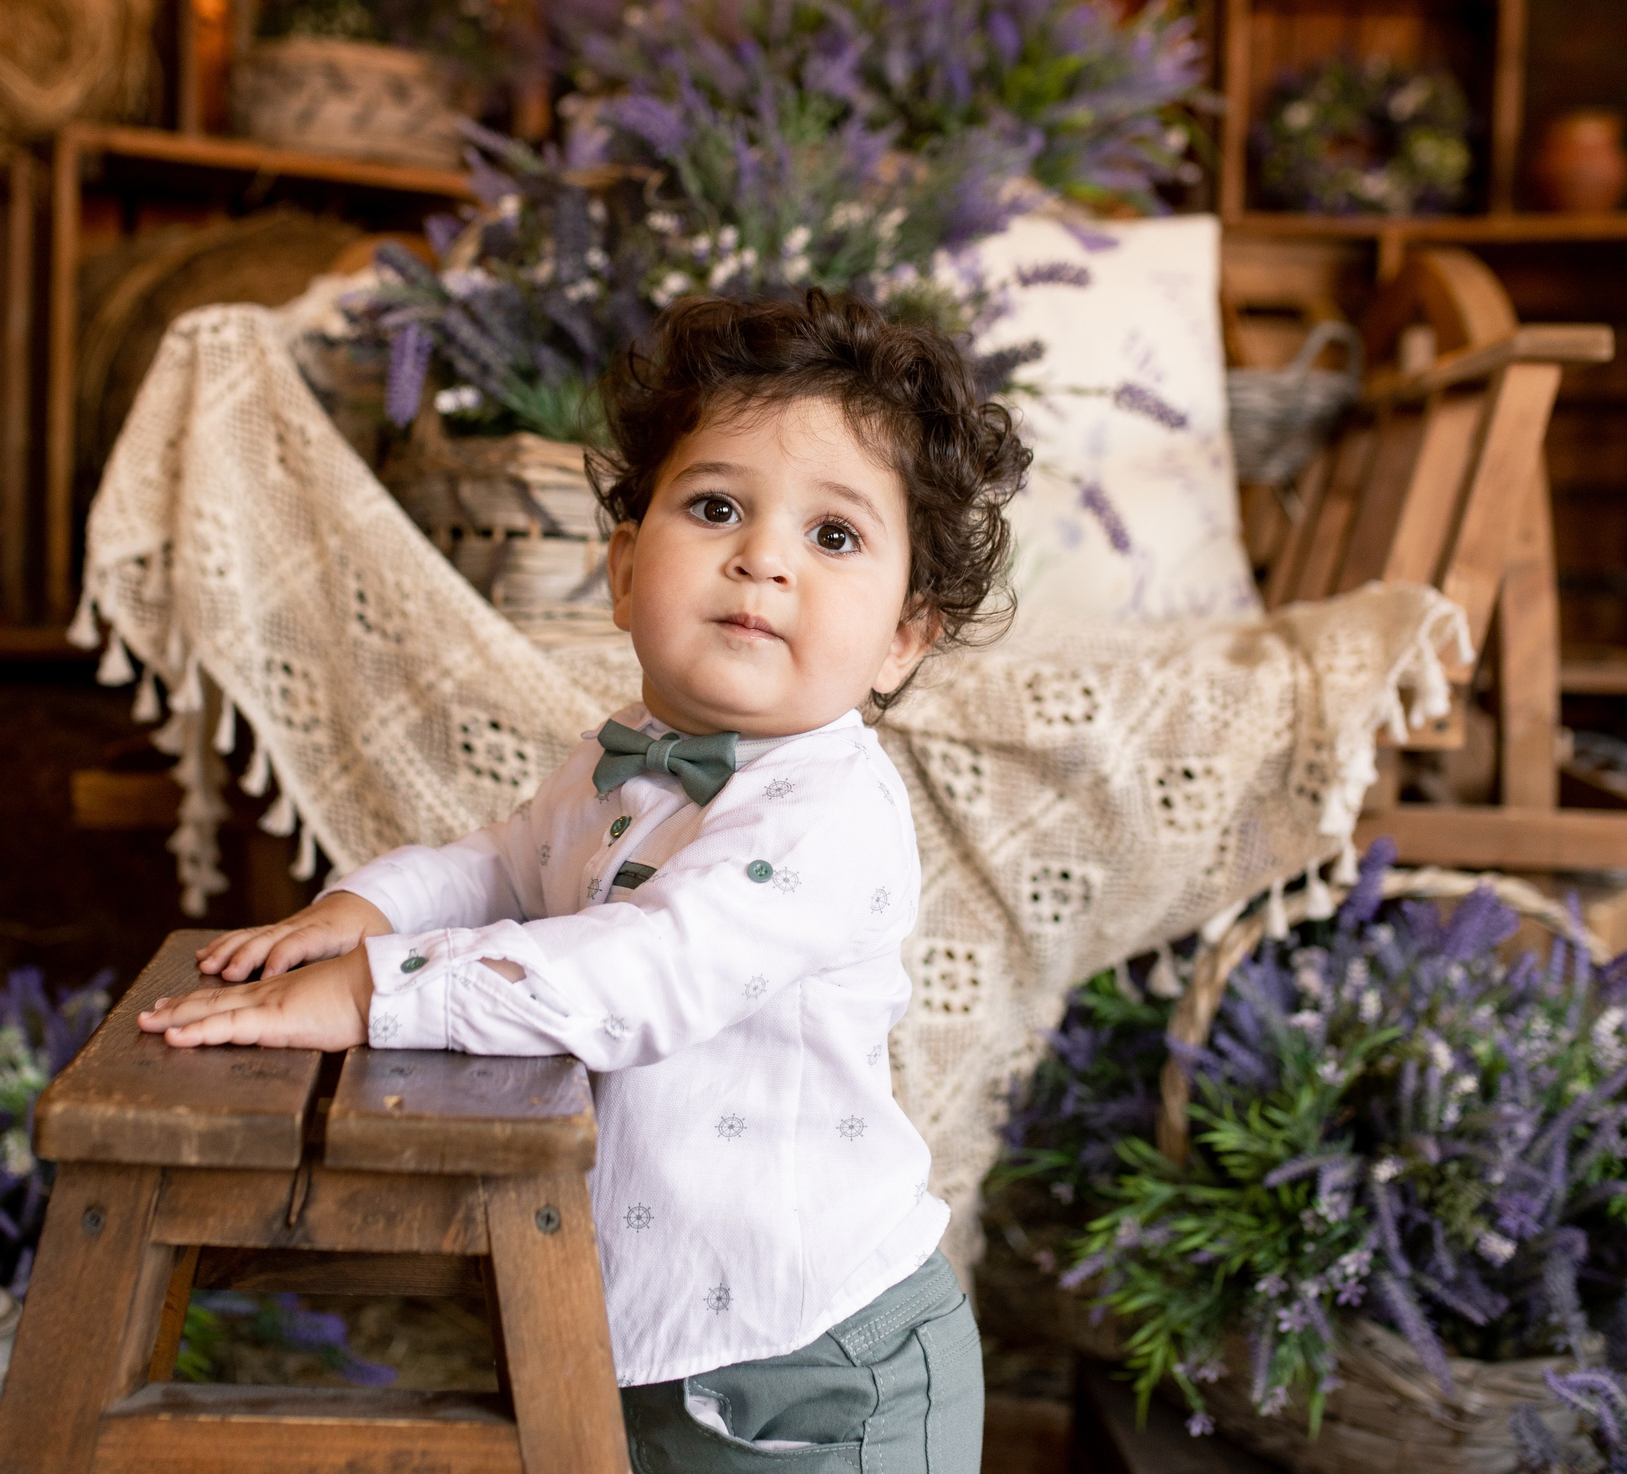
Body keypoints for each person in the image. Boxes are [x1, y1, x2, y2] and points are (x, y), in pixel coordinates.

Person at [138, 290, 1030, 1471]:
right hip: (640, 1324)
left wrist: (377, 992)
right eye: (716, 507)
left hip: (815, 1368)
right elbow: (511, 864)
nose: (762, 557)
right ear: (622, 572)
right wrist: (368, 910)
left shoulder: (829, 817)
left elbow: (641, 970)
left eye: (833, 536)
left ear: (904, 636)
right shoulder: (626, 751)